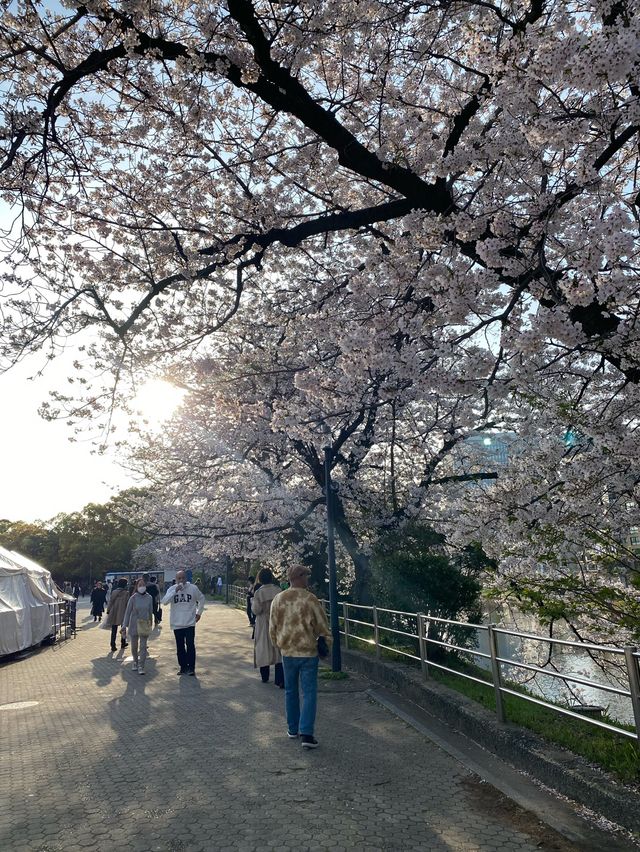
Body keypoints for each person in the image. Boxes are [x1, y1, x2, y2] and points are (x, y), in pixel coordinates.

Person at [269, 565, 331, 749]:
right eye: (306, 576)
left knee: (290, 691)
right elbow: (322, 627)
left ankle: (292, 728)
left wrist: (279, 644)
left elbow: (272, 628)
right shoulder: (310, 599)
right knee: (309, 692)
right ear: (300, 577)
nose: (308, 579)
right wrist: (326, 646)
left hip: (287, 652)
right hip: (308, 653)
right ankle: (307, 733)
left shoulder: (278, 599)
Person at [161, 570, 205, 676]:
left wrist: (199, 613)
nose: (181, 580)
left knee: (190, 645)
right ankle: (183, 667)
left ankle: (191, 668)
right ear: (176, 580)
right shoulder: (172, 589)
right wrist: (174, 591)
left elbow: (202, 598)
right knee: (180, 646)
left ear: (186, 578)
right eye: (179, 578)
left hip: (190, 622)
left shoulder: (193, 588)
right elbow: (164, 602)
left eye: (183, 578)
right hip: (177, 623)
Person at [251, 569, 284, 687]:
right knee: (278, 650)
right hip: (276, 621)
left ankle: (265, 676)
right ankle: (280, 679)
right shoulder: (278, 590)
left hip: (263, 622)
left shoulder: (259, 593)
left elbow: (256, 610)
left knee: (263, 648)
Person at [122, 578, 154, 674]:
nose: (142, 587)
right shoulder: (133, 598)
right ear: (136, 587)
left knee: (143, 647)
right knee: (134, 646)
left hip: (144, 624)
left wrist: (150, 623)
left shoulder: (149, 598)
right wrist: (124, 625)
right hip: (134, 624)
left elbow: (150, 611)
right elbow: (127, 613)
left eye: (143, 585)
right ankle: (135, 662)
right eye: (139, 585)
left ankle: (141, 665)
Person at [104, 578, 130, 652]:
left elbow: (110, 602)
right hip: (123, 612)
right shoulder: (126, 593)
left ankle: (112, 644)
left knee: (114, 629)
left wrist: (108, 610)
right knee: (123, 628)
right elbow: (128, 603)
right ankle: (123, 642)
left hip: (114, 611)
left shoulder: (114, 592)